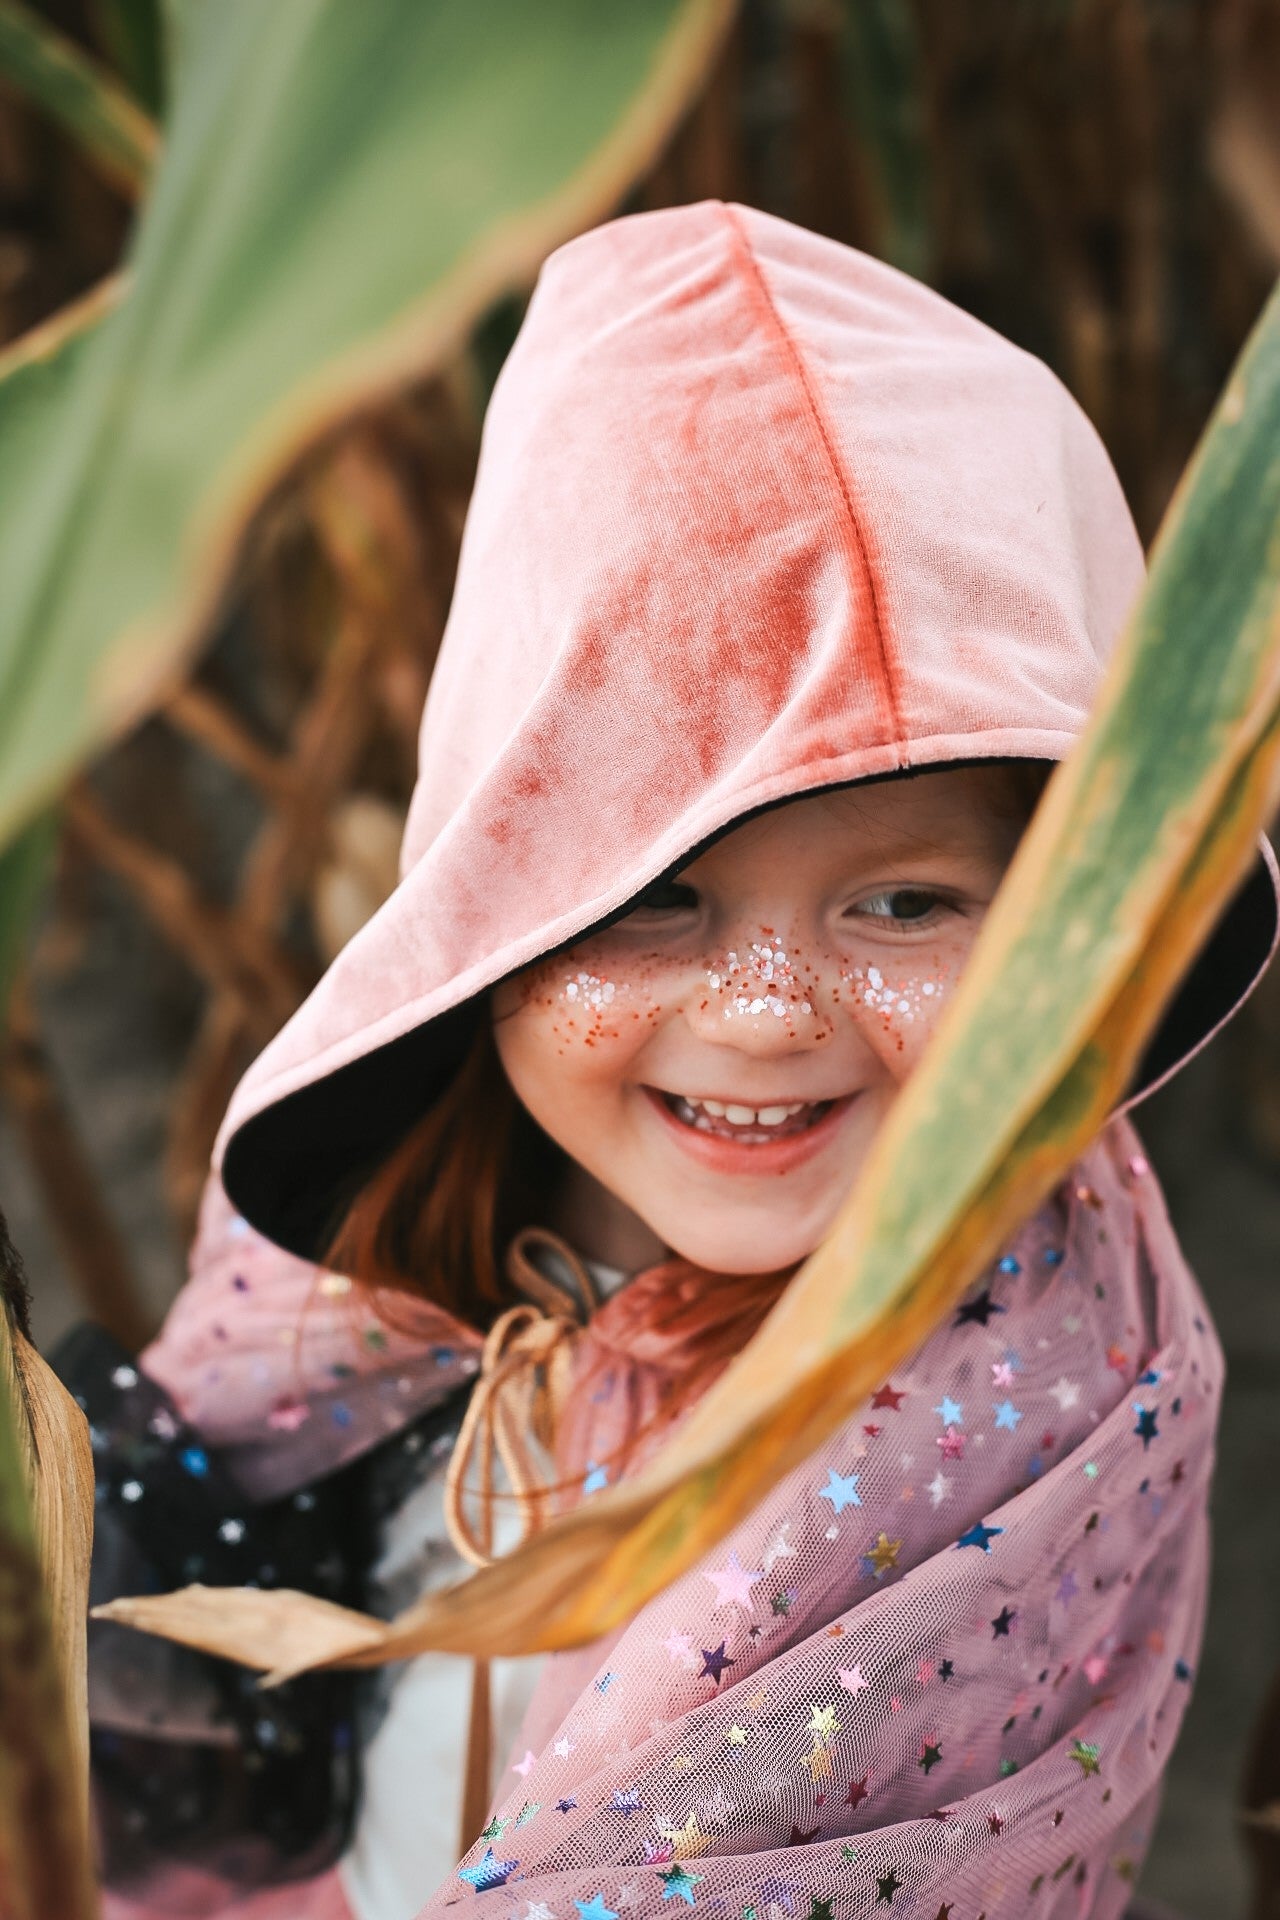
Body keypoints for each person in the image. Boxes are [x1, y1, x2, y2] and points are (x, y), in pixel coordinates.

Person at [82, 200, 1279, 1920]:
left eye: (906, 899)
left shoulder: (1028, 1420)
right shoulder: (395, 1229)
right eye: (657, 903)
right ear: (497, 905)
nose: (770, 1008)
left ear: (1060, 920)